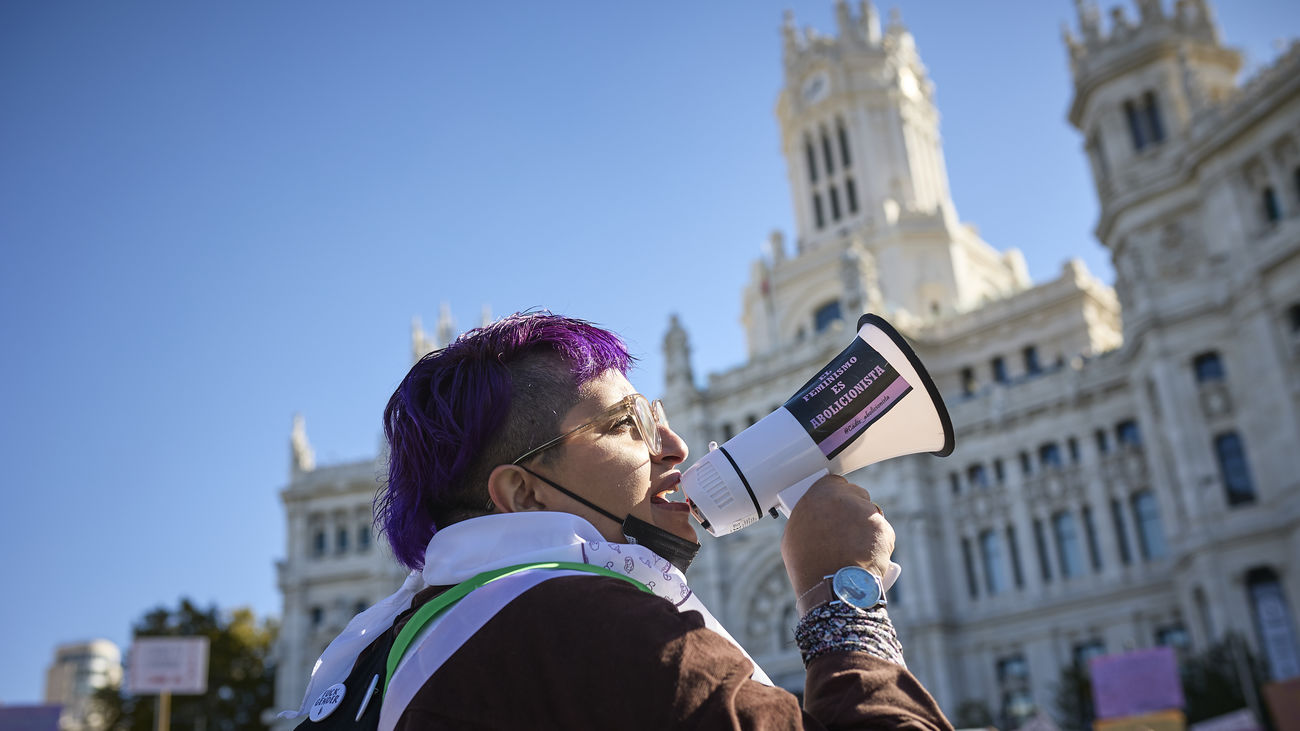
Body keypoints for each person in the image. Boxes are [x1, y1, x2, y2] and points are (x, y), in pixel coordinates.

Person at [283, 312, 953, 730]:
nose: (675, 447)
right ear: (522, 491)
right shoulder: (587, 627)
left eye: (658, 416)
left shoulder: (406, 642)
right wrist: (844, 590)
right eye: (627, 425)